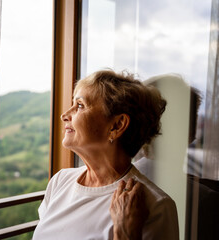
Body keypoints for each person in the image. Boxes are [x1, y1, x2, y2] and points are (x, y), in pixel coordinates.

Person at [32, 70, 179, 240]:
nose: (64, 115)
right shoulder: (60, 181)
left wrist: (125, 233)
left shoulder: (156, 206)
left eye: (80, 105)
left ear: (117, 125)